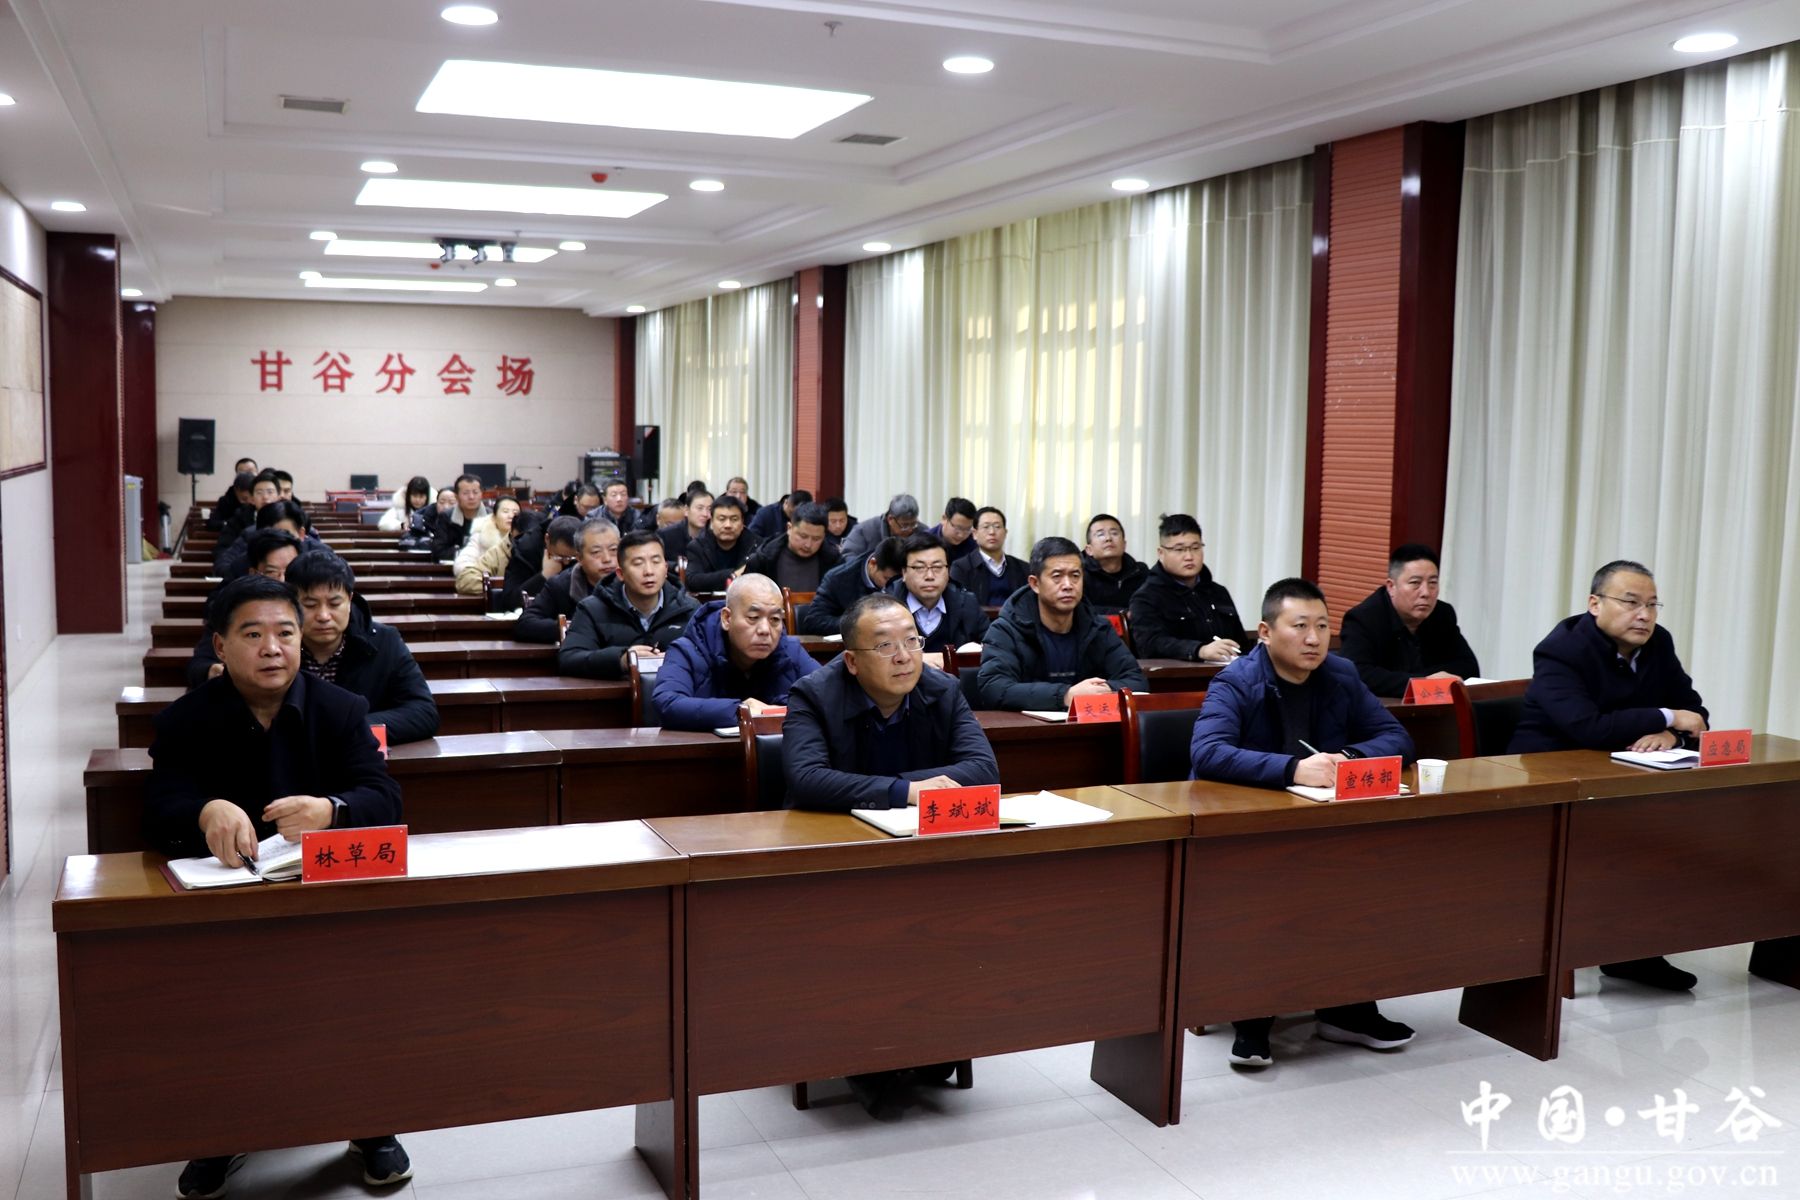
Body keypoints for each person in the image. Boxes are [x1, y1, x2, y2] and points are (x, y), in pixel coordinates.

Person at [144, 574, 412, 1196]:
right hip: (225, 905)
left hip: (326, 900)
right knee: (221, 1012)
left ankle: (371, 1124)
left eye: (285, 633)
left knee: (360, 994)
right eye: (253, 634)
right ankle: (219, 1132)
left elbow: (385, 797)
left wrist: (333, 809)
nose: (272, 648)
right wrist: (204, 810)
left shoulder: (342, 710)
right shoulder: (185, 719)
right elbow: (157, 807)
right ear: (220, 645)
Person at [1190, 577, 1417, 1068]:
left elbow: (1397, 738)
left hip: (1321, 826)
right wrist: (1293, 769)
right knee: (1273, 889)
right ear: (1265, 632)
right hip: (1243, 829)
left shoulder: (1341, 673)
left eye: (1322, 626)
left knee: (1362, 879)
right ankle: (1252, 1014)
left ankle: (1346, 1007)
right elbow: (1207, 752)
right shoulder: (1236, 680)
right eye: (1300, 626)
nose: (1314, 639)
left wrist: (1348, 757)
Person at [1507, 559, 1709, 993]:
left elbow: (1696, 713)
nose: (1644, 615)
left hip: (1618, 775)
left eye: (1652, 605)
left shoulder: (1658, 643)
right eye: (1631, 602)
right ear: (1595, 604)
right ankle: (1608, 947)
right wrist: (1667, 716)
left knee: (1675, 827)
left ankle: (1633, 950)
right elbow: (1587, 728)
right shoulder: (1561, 650)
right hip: (1548, 778)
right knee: (1625, 837)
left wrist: (1670, 734)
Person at [283, 550, 440, 744]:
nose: (323, 616)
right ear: (292, 604)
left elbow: (424, 712)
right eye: (310, 605)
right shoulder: (277, 647)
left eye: (334, 604)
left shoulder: (385, 642)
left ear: (349, 600)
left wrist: (351, 728)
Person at [976, 537, 1145, 710]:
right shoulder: (1006, 629)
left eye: (1075, 576)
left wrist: (1102, 690)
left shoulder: (1098, 627)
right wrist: (1065, 695)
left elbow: (1137, 681)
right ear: (1035, 584)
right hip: (1027, 726)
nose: (1068, 585)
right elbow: (993, 688)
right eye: (1057, 576)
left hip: (1091, 723)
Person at [653, 574, 820, 731]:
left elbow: (828, 694)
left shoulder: (791, 650)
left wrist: (774, 709)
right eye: (753, 617)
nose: (765, 630)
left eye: (775, 619)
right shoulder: (688, 651)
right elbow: (667, 704)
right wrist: (741, 710)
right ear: (727, 618)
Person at [1339, 543, 1482, 697]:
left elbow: (1469, 667)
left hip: (1432, 707)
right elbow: (1358, 673)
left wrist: (1424, 681)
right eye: (1415, 583)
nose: (1426, 592)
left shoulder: (1442, 614)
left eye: (1432, 583)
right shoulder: (1364, 619)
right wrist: (1424, 682)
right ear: (1391, 586)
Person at [558, 530, 699, 679]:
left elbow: (710, 657)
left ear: (665, 569)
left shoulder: (689, 608)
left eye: (656, 562)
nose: (649, 571)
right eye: (638, 563)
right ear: (621, 574)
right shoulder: (593, 609)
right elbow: (569, 659)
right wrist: (622, 659)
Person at [186, 529, 307, 688]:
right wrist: (212, 671)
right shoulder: (237, 608)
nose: (282, 580)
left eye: (289, 571)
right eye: (272, 572)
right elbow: (198, 665)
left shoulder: (316, 610)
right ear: (254, 572)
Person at [1128, 514, 1245, 664]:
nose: (1189, 556)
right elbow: (1150, 645)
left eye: (1195, 548)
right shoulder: (1146, 597)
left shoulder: (1218, 592)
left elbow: (1241, 641)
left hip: (1229, 671)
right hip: (1179, 675)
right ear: (1161, 553)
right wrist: (1199, 650)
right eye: (1179, 549)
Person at [515, 516, 618, 643]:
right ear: (579, 558)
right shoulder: (562, 584)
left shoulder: (634, 581)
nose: (607, 559)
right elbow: (525, 624)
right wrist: (574, 628)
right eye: (596, 552)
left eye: (614, 550)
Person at [887, 532, 989, 653]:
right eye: (919, 568)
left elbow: (992, 647)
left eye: (937, 567)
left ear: (948, 571)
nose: (929, 576)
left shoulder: (968, 604)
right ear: (904, 572)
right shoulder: (885, 608)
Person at [800, 536, 905, 635]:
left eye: (899, 580)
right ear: (872, 563)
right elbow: (814, 622)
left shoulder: (908, 578)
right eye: (887, 579)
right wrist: (858, 623)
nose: (893, 585)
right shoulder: (838, 579)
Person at [743, 502, 841, 593]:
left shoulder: (833, 561)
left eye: (816, 539)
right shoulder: (764, 559)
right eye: (803, 536)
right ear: (789, 528)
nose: (808, 544)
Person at [214, 498, 318, 581]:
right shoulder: (243, 563)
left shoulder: (318, 558)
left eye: (286, 534)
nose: (278, 538)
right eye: (270, 535)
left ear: (301, 534)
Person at [950, 506, 1029, 607]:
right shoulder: (961, 568)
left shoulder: (1023, 568)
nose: (992, 532)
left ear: (1005, 533)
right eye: (986, 527)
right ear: (975, 534)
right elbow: (958, 606)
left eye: (997, 526)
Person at [503, 513, 579, 611]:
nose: (566, 562)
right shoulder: (526, 548)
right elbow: (510, 600)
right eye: (560, 557)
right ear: (547, 539)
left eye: (571, 558)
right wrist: (544, 576)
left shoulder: (585, 549)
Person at [683, 494, 756, 592]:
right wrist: (733, 575)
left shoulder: (755, 545)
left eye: (734, 519)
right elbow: (693, 581)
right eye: (722, 519)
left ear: (742, 522)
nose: (728, 525)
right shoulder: (698, 546)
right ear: (712, 522)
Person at [452, 495, 521, 595]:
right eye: (505, 511)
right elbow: (462, 565)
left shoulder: (525, 541)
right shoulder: (481, 537)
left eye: (515, 513)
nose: (511, 516)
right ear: (494, 517)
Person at [212, 469, 282, 567]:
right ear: (252, 499)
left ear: (279, 497)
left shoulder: (288, 518)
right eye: (259, 492)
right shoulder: (238, 519)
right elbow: (223, 551)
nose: (265, 497)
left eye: (270, 492)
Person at [1081, 513, 1149, 612]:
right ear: (1089, 550)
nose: (1108, 538)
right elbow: (1080, 610)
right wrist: (1123, 614)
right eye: (1100, 534)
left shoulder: (1139, 572)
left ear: (1124, 544)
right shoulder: (1079, 575)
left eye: (1114, 533)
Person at [424, 474, 489, 561]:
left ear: (482, 494)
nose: (471, 497)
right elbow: (438, 551)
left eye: (475, 492)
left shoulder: (491, 516)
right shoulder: (446, 517)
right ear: (456, 496)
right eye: (465, 493)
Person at [840, 493, 921, 562]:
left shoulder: (922, 531)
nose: (910, 529)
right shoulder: (864, 530)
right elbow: (848, 557)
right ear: (890, 519)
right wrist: (868, 568)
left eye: (913, 524)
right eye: (905, 525)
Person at [660, 487, 712, 561]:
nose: (705, 514)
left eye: (710, 509)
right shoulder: (666, 535)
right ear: (686, 510)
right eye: (700, 508)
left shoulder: (716, 535)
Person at [926, 497, 979, 565]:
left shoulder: (975, 543)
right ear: (944, 519)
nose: (961, 535)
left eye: (967, 529)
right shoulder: (924, 541)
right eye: (958, 528)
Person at [747, 488, 812, 542]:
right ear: (786, 503)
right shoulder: (765, 513)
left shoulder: (809, 517)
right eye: (793, 513)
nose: (795, 517)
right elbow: (751, 537)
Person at [206, 466, 257, 532]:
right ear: (235, 490)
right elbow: (212, 523)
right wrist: (229, 524)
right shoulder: (225, 501)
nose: (243, 502)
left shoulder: (259, 502)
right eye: (243, 498)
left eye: (248, 498)